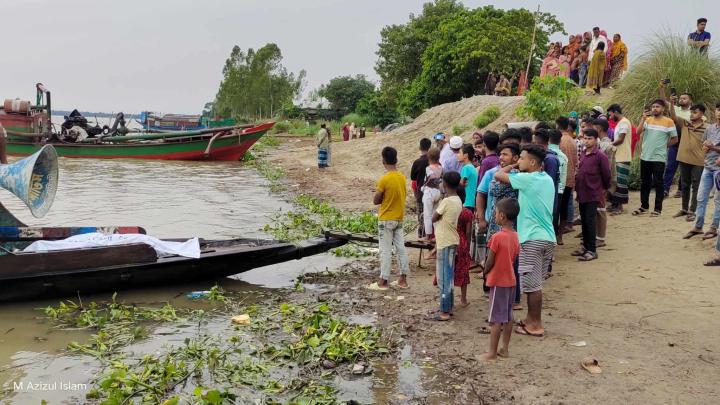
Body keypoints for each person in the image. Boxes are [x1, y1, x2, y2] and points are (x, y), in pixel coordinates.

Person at [494, 144, 556, 337]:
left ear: (533, 162)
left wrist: (511, 166)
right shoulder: (546, 179)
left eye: (521, 158)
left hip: (532, 238)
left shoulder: (528, 179)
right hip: (547, 238)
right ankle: (530, 320)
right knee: (535, 283)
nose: (518, 161)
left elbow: (498, 175)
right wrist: (518, 165)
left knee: (532, 285)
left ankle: (535, 325)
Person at [479, 197, 521, 361]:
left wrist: (484, 270)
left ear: (502, 216)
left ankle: (491, 353)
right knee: (508, 315)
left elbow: (490, 261)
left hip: (498, 281)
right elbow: (514, 256)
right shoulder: (516, 236)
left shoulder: (497, 237)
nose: (494, 215)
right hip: (511, 281)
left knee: (496, 318)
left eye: (495, 213)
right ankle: (505, 349)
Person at [371, 147, 409, 290]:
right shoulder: (401, 177)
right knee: (401, 249)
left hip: (386, 219)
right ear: (396, 159)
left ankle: (384, 280)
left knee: (385, 250)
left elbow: (376, 200)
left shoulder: (384, 179)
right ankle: (403, 279)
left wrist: (380, 197)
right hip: (399, 218)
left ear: (383, 160)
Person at [633, 98, 679, 216]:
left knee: (659, 183)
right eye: (653, 107)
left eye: (657, 107)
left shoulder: (669, 122)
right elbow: (637, 133)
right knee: (645, 182)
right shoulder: (647, 120)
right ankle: (644, 206)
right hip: (645, 156)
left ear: (663, 109)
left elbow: (675, 139)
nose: (655, 109)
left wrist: (664, 146)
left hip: (659, 157)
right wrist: (643, 119)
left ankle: (657, 209)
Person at [573, 128, 611, 261]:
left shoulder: (600, 156)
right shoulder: (583, 153)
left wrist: (603, 189)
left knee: (590, 221)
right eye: (585, 138)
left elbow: (607, 175)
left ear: (596, 140)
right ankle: (585, 246)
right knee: (584, 221)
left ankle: (592, 250)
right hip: (582, 192)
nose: (587, 141)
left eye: (590, 138)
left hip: (593, 192)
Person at [685, 102, 720, 241]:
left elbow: (711, 146)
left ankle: (713, 228)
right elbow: (704, 144)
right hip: (708, 167)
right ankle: (698, 226)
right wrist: (706, 147)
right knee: (701, 197)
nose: (719, 112)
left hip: (719, 170)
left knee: (718, 200)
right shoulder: (710, 128)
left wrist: (713, 148)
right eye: (718, 109)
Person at [430, 171, 463, 321]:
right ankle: (448, 307)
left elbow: (434, 217)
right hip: (452, 241)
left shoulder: (447, 201)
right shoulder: (457, 200)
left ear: (445, 184)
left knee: (444, 278)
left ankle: (444, 311)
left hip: (445, 241)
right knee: (448, 276)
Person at [672, 105, 708, 221]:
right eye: (691, 112)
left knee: (696, 185)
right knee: (685, 185)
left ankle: (693, 211)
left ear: (702, 114)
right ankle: (684, 209)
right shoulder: (685, 123)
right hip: (683, 159)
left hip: (699, 161)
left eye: (695, 112)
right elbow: (673, 116)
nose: (692, 114)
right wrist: (672, 103)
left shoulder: (707, 127)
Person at [663, 92, 695, 197]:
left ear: (690, 101)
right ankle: (665, 189)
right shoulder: (675, 108)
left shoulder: (694, 112)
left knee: (684, 168)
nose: (681, 100)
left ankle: (681, 190)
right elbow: (663, 101)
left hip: (687, 143)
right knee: (670, 166)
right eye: (680, 98)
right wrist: (662, 88)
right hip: (674, 142)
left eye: (684, 98)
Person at [592, 119, 615, 248]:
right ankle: (597, 236)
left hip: (601, 183)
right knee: (598, 210)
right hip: (599, 182)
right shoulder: (602, 144)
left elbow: (608, 169)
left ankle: (600, 238)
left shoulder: (606, 146)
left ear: (599, 128)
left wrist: (606, 185)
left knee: (600, 210)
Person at [608, 104, 632, 214]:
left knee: (621, 182)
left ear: (616, 112)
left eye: (611, 113)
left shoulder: (624, 123)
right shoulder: (620, 123)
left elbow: (621, 139)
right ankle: (616, 205)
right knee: (617, 181)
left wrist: (609, 145)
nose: (610, 116)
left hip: (623, 156)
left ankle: (619, 207)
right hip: (619, 155)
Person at [556, 117, 579, 233]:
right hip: (570, 175)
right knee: (567, 201)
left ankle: (563, 227)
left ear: (558, 126)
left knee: (561, 204)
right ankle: (568, 224)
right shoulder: (572, 140)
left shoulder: (559, 141)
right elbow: (576, 161)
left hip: (562, 176)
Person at [548, 129, 569, 245]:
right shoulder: (563, 157)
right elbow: (564, 175)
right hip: (560, 189)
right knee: (557, 215)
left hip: (548, 190)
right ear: (560, 140)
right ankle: (557, 238)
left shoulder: (547, 154)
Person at [455, 194, 474, 308]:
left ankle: (448, 298)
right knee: (463, 270)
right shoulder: (466, 212)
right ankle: (463, 299)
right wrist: (467, 245)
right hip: (461, 242)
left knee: (449, 270)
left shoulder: (449, 209)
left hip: (450, 240)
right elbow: (468, 232)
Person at [411, 138, 432, 238]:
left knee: (421, 214)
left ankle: (421, 232)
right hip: (432, 193)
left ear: (420, 147)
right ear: (430, 147)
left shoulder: (417, 162)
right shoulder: (434, 162)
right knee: (430, 214)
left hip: (421, 193)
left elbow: (413, 178)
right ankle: (429, 234)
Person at [422, 147, 443, 243]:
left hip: (429, 191)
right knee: (435, 213)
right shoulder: (441, 168)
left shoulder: (428, 168)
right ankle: (437, 235)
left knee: (427, 214)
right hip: (437, 191)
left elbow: (428, 179)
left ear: (428, 157)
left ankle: (428, 235)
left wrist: (423, 187)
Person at [458, 144, 478, 213]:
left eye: (459, 153)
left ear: (465, 155)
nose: (457, 155)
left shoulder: (466, 168)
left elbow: (460, 185)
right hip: (471, 202)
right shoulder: (472, 167)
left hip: (466, 202)